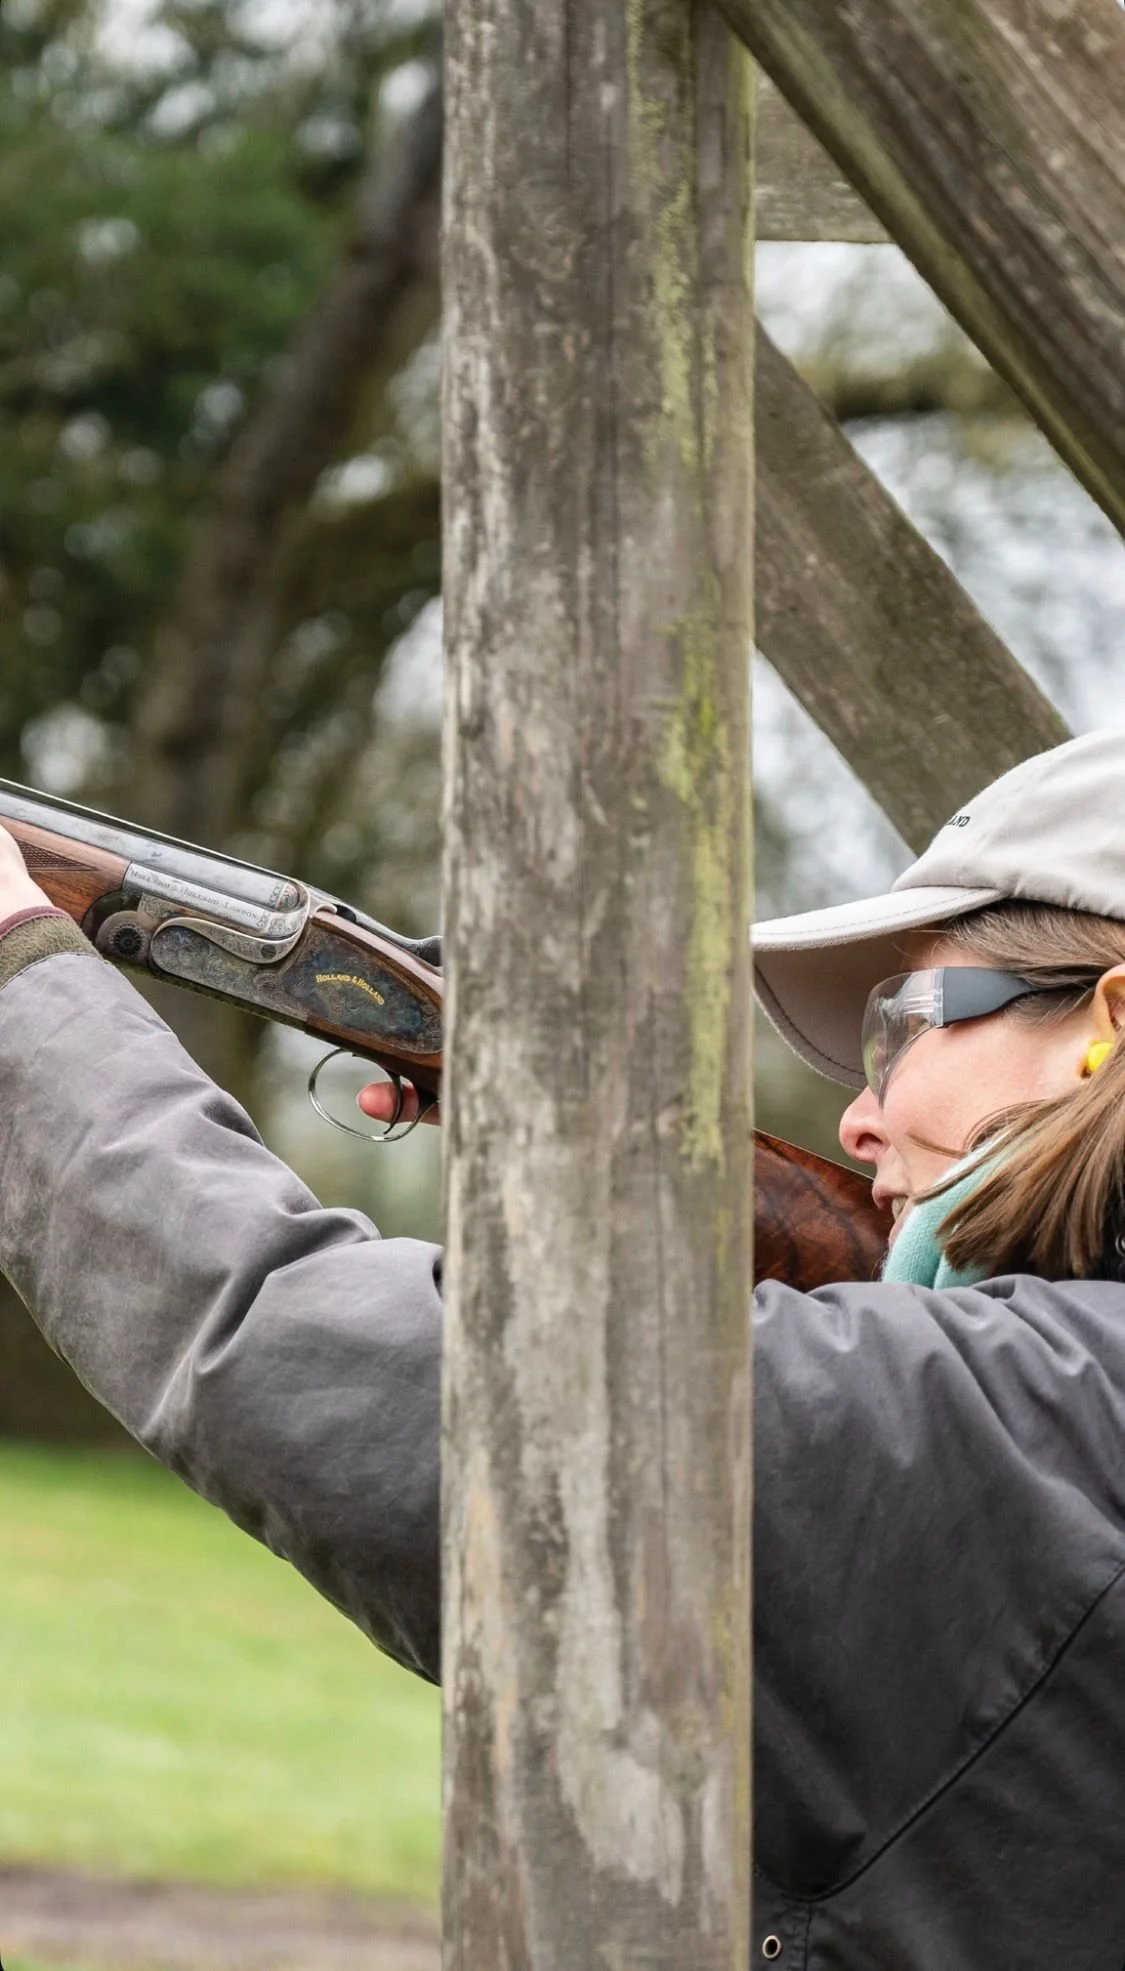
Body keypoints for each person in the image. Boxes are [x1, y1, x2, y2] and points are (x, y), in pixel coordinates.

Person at [2, 730, 1125, 1969]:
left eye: (904, 1026)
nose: (859, 1116)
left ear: (1110, 1018)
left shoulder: (1047, 1412)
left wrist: (23, 990)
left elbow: (328, 1372)